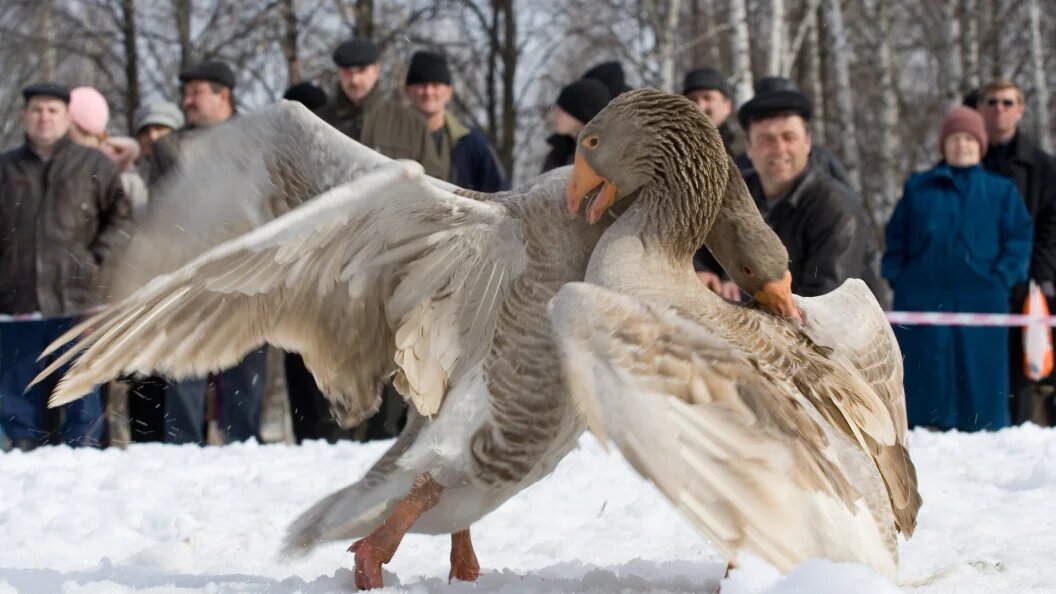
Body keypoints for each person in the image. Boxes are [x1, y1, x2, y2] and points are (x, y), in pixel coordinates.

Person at [139, 60, 267, 445]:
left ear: (223, 95)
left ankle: (243, 447)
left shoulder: (259, 139)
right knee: (185, 368)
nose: (188, 101)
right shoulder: (168, 147)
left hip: (247, 272)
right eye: (186, 92)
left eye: (196, 92)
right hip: (189, 272)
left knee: (245, 373)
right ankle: (183, 451)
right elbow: (160, 212)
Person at [882, 106, 1032, 431]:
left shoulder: (1001, 191)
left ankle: (984, 428)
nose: (962, 145)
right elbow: (896, 236)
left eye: (969, 138)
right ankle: (925, 425)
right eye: (954, 138)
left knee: (980, 370)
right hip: (923, 297)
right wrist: (898, 275)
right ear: (943, 145)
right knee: (925, 368)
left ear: (981, 145)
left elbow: (1019, 238)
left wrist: (1002, 278)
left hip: (982, 298)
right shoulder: (919, 188)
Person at [0, 83, 132, 451]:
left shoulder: (94, 166)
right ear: (25, 116)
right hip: (17, 308)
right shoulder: (5, 168)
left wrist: (96, 263)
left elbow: (122, 222)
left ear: (66, 117)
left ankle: (82, 468)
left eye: (52, 110)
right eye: (36, 110)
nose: (44, 118)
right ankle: (22, 468)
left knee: (81, 404)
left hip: (77, 304)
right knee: (18, 411)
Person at [737, 89, 875, 296]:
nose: (779, 149)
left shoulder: (837, 209)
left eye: (789, 137)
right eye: (766, 139)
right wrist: (704, 270)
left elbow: (825, 299)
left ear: (807, 142)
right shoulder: (735, 195)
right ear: (749, 147)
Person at [976, 79, 1056, 426]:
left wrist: (1039, 277)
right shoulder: (968, 159)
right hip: (980, 282)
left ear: (1020, 110)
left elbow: (1051, 226)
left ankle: (1027, 432)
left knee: (1028, 367)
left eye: (1008, 102)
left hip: (1029, 284)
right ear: (980, 109)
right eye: (992, 102)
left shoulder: (1043, 167)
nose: (1000, 109)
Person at [315, 38, 445, 179]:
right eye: (347, 71)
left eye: (362, 70)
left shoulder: (411, 124)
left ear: (377, 71)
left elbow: (434, 182)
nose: (354, 80)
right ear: (339, 73)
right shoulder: (319, 122)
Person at [404, 50, 509, 192]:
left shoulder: (471, 142)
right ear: (407, 90)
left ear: (449, 92)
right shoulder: (389, 135)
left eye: (435, 84)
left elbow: (500, 192)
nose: (428, 91)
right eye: (421, 84)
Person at [541, 78, 610, 173]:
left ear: (581, 114)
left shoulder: (601, 160)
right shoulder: (560, 151)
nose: (555, 113)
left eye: (562, 110)